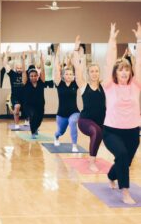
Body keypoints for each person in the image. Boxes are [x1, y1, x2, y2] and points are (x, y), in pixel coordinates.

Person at [102, 23, 141, 204]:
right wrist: (112, 40)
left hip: (133, 132)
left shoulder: (135, 85)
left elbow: (139, 63)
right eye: (121, 69)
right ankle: (125, 191)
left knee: (125, 161)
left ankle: (111, 175)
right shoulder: (110, 87)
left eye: (127, 69)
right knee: (123, 156)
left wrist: (139, 41)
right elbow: (109, 61)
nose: (124, 72)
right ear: (115, 74)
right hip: (112, 131)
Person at [73, 36, 106, 172]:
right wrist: (76, 50)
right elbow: (77, 69)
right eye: (92, 71)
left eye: (96, 71)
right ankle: (91, 163)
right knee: (96, 131)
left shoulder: (104, 86)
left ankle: (92, 157)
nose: (94, 73)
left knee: (98, 135)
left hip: (101, 121)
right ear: (88, 73)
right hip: (85, 120)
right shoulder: (83, 86)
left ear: (99, 73)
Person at [53, 45, 80, 152]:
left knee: (73, 122)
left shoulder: (75, 84)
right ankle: (56, 137)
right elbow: (56, 68)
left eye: (70, 74)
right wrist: (58, 55)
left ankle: (74, 145)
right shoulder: (59, 83)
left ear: (73, 75)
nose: (69, 75)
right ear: (63, 76)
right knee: (61, 131)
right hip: (61, 113)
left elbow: (78, 69)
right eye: (67, 74)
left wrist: (76, 55)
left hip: (74, 112)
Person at [4, 49, 27, 129]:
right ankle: (17, 124)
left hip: (25, 96)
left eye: (21, 68)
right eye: (18, 68)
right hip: (15, 97)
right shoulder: (12, 74)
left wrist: (23, 59)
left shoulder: (25, 74)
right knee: (17, 107)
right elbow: (5, 65)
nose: (19, 69)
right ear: (15, 68)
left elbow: (27, 68)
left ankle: (27, 120)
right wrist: (6, 55)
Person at [24, 52, 45, 139]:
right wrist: (23, 60)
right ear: (29, 77)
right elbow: (23, 73)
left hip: (40, 105)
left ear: (37, 76)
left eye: (35, 76)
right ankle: (33, 132)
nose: (33, 77)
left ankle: (36, 127)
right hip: (29, 105)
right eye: (31, 76)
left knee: (39, 119)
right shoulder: (27, 83)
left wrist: (41, 60)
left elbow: (43, 71)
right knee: (32, 116)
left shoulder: (41, 82)